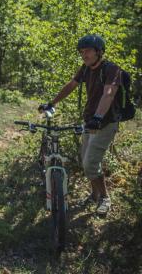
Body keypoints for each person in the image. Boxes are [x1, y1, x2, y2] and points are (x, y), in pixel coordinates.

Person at [39, 34, 121, 216]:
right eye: (82, 52)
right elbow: (71, 85)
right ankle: (94, 194)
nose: (84, 55)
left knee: (90, 163)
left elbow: (109, 94)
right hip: (89, 122)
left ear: (99, 52)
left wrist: (98, 117)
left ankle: (105, 198)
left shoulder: (112, 69)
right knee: (85, 161)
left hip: (105, 123)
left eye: (88, 51)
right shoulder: (85, 69)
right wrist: (52, 103)